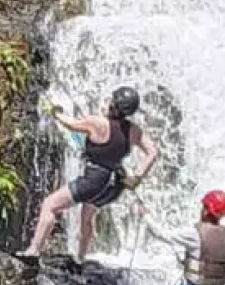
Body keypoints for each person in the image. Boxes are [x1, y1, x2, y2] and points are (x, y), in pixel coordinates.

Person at [20, 85, 159, 271]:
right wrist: (138, 177)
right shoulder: (133, 130)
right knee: (87, 216)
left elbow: (71, 124)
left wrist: (55, 112)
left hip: (94, 180)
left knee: (50, 205)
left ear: (114, 104)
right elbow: (153, 152)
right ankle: (80, 259)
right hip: (113, 186)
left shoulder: (98, 123)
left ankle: (33, 251)